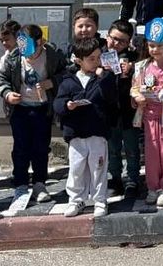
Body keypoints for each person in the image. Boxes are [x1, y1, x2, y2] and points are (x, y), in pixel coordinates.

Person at [0, 24, 66, 207]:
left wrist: (52, 82)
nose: (26, 54)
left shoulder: (52, 56)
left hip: (43, 108)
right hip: (20, 109)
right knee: (21, 148)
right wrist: (8, 94)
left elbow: (66, 73)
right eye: (23, 48)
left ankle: (39, 184)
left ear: (40, 42)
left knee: (41, 148)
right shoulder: (12, 57)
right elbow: (0, 79)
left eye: (30, 49)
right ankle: (20, 184)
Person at [54, 37, 117, 217]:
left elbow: (112, 99)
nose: (96, 62)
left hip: (97, 131)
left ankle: (100, 200)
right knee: (76, 169)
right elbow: (58, 103)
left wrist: (103, 78)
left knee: (98, 167)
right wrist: (67, 105)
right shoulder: (68, 80)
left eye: (98, 57)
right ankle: (76, 200)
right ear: (79, 60)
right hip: (76, 133)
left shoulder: (104, 77)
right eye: (91, 59)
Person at [131, 18, 163, 208]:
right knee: (151, 155)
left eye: (159, 46)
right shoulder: (142, 66)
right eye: (151, 46)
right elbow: (135, 88)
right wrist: (137, 97)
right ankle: (152, 187)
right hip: (149, 116)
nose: (155, 49)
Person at [104, 20, 141, 198]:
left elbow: (145, 76)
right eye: (114, 38)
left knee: (132, 148)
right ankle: (115, 179)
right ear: (107, 36)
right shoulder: (99, 55)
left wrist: (132, 70)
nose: (116, 44)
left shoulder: (134, 57)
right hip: (109, 111)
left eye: (122, 41)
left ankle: (133, 179)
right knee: (112, 148)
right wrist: (102, 71)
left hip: (129, 110)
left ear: (128, 42)